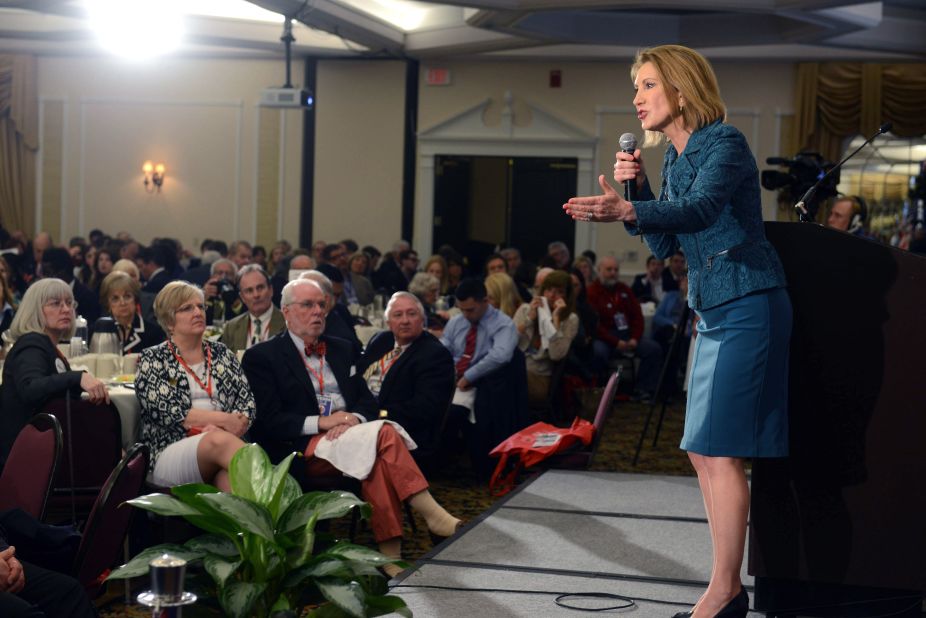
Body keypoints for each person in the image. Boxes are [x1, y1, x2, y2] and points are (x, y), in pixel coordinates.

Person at [563, 44, 791, 618]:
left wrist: (629, 211)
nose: (635, 99)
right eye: (635, 89)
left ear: (682, 88)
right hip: (712, 310)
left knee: (723, 451)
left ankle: (724, 590)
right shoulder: (677, 159)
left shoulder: (725, 143)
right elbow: (666, 244)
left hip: (748, 302)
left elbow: (700, 210)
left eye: (645, 86)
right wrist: (635, 193)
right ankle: (727, 589)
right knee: (701, 452)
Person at [242, 279, 462, 577]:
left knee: (375, 456)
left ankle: (389, 557)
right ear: (287, 312)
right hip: (302, 448)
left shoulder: (342, 349)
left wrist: (354, 420)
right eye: (308, 305)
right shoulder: (262, 357)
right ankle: (431, 515)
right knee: (383, 434)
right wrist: (322, 422)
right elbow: (268, 421)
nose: (318, 311)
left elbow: (369, 402)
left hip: (352, 437)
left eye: (322, 304)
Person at [136, 281, 255, 491]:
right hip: (169, 449)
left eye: (200, 306)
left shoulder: (222, 353)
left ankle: (256, 523)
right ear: (169, 321)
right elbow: (168, 412)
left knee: (229, 483)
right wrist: (224, 422)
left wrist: (226, 427)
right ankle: (279, 499)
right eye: (187, 308)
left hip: (223, 446)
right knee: (218, 442)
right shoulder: (153, 358)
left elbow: (247, 403)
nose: (198, 312)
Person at [0, 279, 109, 470]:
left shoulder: (46, 346)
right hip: (22, 460)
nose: (66, 309)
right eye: (55, 303)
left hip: (38, 452)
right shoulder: (31, 344)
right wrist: (78, 377)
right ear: (35, 310)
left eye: (69, 303)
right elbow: (30, 388)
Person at [358, 292, 455, 468]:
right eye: (398, 315)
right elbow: (358, 378)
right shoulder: (381, 340)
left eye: (411, 314)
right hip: (365, 417)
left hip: (403, 430)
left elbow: (423, 409)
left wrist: (375, 414)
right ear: (388, 323)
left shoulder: (434, 355)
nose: (405, 321)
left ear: (422, 320)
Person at [513, 269, 579, 405]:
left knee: (504, 381)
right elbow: (508, 343)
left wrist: (555, 320)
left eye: (559, 292)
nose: (551, 296)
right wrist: (529, 320)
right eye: (548, 290)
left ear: (567, 296)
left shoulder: (570, 320)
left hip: (540, 377)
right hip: (517, 368)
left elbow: (556, 355)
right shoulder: (526, 309)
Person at [220, 265, 285, 352]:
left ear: (271, 290)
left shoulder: (288, 323)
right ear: (242, 297)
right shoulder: (231, 327)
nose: (256, 295)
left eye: (260, 288)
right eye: (249, 290)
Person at [99, 271, 165, 354]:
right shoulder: (100, 333)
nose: (122, 303)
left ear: (135, 299)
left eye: (127, 296)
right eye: (115, 298)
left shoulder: (154, 333)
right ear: (108, 304)